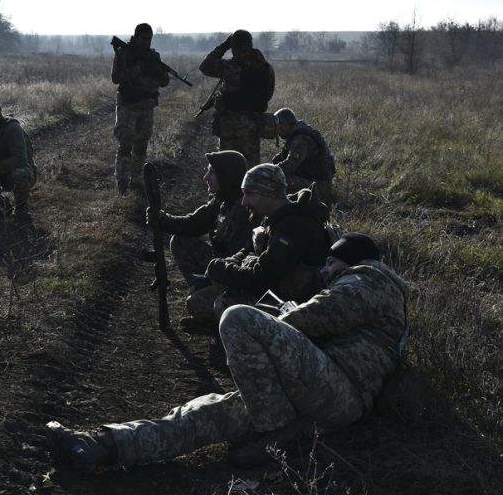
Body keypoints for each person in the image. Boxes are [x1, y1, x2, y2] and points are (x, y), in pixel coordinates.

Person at [46, 232, 408, 471]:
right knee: (202, 414)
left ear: (355, 258)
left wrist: (283, 317)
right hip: (313, 395)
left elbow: (321, 315)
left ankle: (273, 428)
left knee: (238, 317)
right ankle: (99, 447)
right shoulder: (365, 286)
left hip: (337, 391)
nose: (326, 270)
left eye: (332, 262)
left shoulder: (372, 278)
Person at [205, 163, 331, 323]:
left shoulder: (293, 226)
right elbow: (247, 249)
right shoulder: (274, 218)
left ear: (269, 193)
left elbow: (261, 278)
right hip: (275, 291)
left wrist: (220, 269)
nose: (244, 202)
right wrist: (231, 262)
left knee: (225, 304)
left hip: (299, 306)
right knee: (199, 302)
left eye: (249, 194)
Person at [146, 151, 254, 325]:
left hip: (237, 279)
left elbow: (243, 269)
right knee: (181, 240)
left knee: (195, 304)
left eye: (212, 172)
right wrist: (163, 219)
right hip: (221, 267)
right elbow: (193, 224)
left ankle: (219, 317)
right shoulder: (221, 201)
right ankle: (205, 290)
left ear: (226, 175)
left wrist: (218, 281)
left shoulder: (244, 213)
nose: (206, 177)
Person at [199, 30, 275, 168]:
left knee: (228, 168)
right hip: (254, 124)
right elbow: (268, 95)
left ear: (233, 47)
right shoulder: (266, 68)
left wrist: (223, 46)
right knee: (250, 169)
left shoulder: (231, 67)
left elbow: (205, 66)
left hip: (231, 125)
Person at [111, 23, 170, 195]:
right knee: (125, 144)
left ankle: (136, 180)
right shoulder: (124, 53)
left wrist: (157, 71)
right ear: (135, 37)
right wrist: (139, 69)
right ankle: (122, 182)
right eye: (143, 38)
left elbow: (165, 82)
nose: (146, 42)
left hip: (147, 106)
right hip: (128, 105)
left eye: (149, 39)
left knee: (141, 146)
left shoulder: (154, 56)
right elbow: (116, 78)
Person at [272, 107, 336, 204]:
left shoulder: (299, 140)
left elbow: (290, 165)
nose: (276, 131)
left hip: (319, 186)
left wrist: (271, 171)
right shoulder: (297, 133)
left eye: (277, 127)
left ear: (284, 125)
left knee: (280, 181)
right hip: (314, 179)